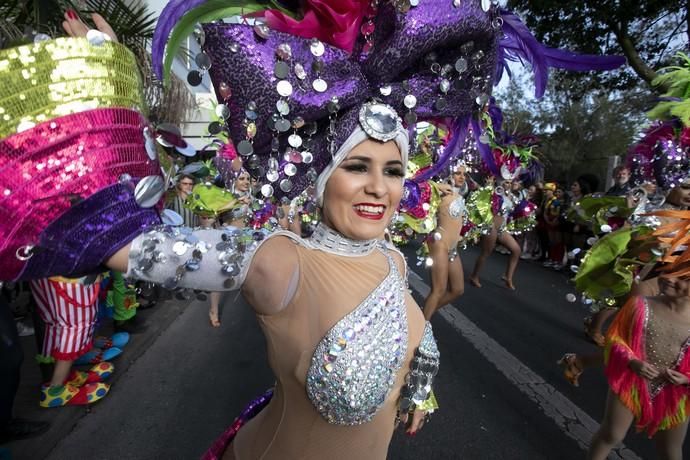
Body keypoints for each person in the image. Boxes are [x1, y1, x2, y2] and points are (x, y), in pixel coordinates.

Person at [588, 280, 690, 460]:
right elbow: (614, 338)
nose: (669, 279)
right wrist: (632, 361)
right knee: (611, 434)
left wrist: (686, 379)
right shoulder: (640, 304)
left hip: (675, 393)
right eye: (667, 272)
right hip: (631, 381)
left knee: (671, 450)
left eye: (681, 278)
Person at [423, 161, 466, 320]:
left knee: (457, 289)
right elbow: (416, 184)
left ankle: (422, 316)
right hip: (439, 243)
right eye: (457, 173)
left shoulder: (459, 195)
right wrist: (435, 185)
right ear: (449, 173)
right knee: (438, 290)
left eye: (464, 174)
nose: (461, 177)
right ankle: (420, 332)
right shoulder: (441, 191)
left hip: (453, 247)